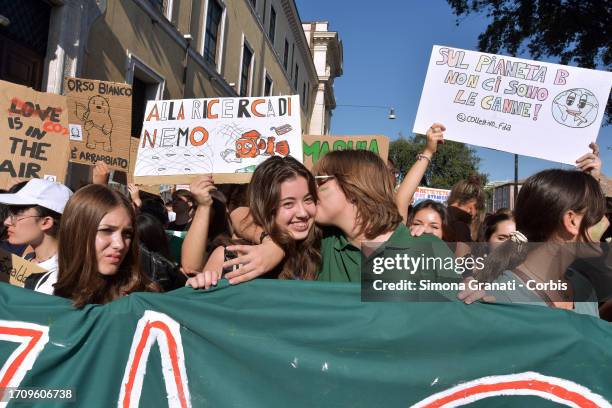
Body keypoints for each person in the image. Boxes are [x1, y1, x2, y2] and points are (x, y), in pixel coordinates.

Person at [476, 169, 608, 316]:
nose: (606, 221)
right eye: (598, 214)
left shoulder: (584, 288)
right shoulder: (494, 300)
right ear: (572, 221)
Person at [185, 155, 320, 289]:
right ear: (265, 207)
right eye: (288, 204)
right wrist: (202, 284)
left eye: (308, 199)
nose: (303, 213)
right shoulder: (232, 259)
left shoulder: (322, 246)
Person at [54, 184, 158, 307]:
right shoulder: (43, 290)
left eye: (127, 234)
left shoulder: (144, 302)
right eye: (106, 230)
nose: (119, 244)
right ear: (76, 232)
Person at [0, 179, 73, 294]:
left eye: (17, 214)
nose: (7, 222)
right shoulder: (27, 259)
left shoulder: (62, 279)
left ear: (46, 222)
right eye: (10, 214)